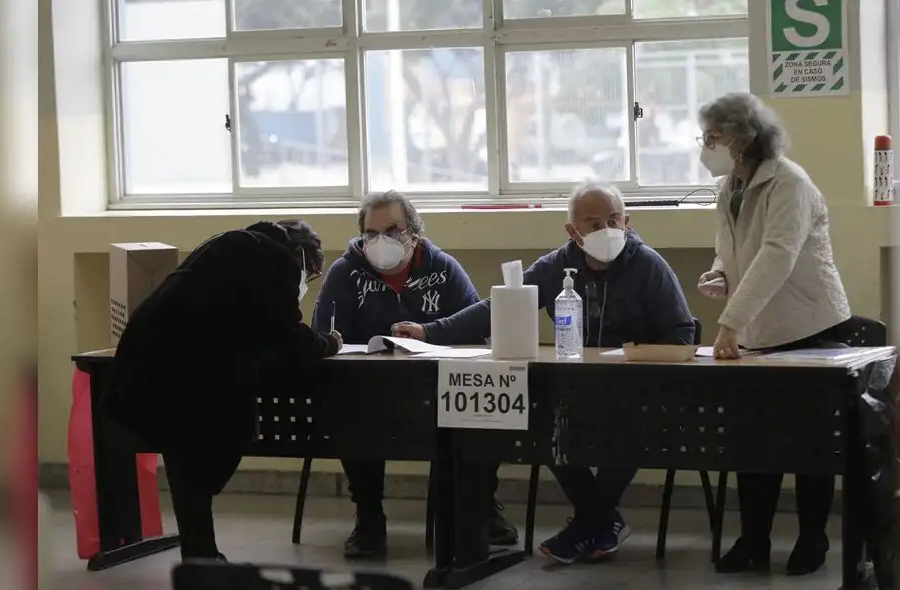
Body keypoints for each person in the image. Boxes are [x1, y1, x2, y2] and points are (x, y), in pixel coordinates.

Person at [393, 181, 696, 564]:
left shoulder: (648, 266)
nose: (607, 229)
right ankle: (600, 522)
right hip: (578, 389)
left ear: (627, 221)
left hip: (636, 391)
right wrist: (429, 332)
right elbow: (496, 307)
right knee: (541, 420)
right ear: (573, 232)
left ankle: (588, 524)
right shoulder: (557, 266)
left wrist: (637, 355)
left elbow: (683, 332)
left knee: (628, 428)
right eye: (593, 223)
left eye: (614, 220)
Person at [104, 220, 343, 562]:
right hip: (194, 377)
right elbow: (291, 339)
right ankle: (200, 554)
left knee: (183, 458)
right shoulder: (279, 263)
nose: (306, 281)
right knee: (208, 451)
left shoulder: (227, 244)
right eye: (312, 274)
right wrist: (329, 343)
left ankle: (199, 553)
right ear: (304, 257)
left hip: (144, 362)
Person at [695, 92, 852, 576]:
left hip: (810, 326)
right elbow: (734, 248)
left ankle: (812, 540)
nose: (706, 146)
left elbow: (777, 254)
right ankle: (754, 542)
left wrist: (730, 323)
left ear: (742, 138)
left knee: (809, 444)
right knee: (752, 442)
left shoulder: (789, 183)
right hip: (758, 329)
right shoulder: (730, 187)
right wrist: (721, 274)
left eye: (714, 136)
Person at [313, 190, 519, 559]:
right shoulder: (345, 273)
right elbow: (323, 336)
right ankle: (369, 518)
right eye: (371, 234)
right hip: (371, 393)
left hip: (438, 391)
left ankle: (481, 508)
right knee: (351, 411)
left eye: (392, 231)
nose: (381, 242)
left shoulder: (443, 268)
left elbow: (480, 327)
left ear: (414, 232)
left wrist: (432, 332)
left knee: (485, 401)